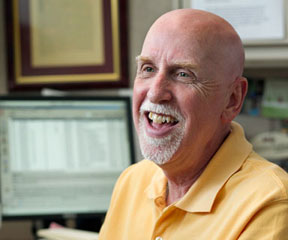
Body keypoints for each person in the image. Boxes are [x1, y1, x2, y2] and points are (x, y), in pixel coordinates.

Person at [98, 9, 288, 240]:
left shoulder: (270, 202)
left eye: (183, 74)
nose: (156, 93)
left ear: (232, 99)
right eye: (148, 69)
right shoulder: (132, 181)